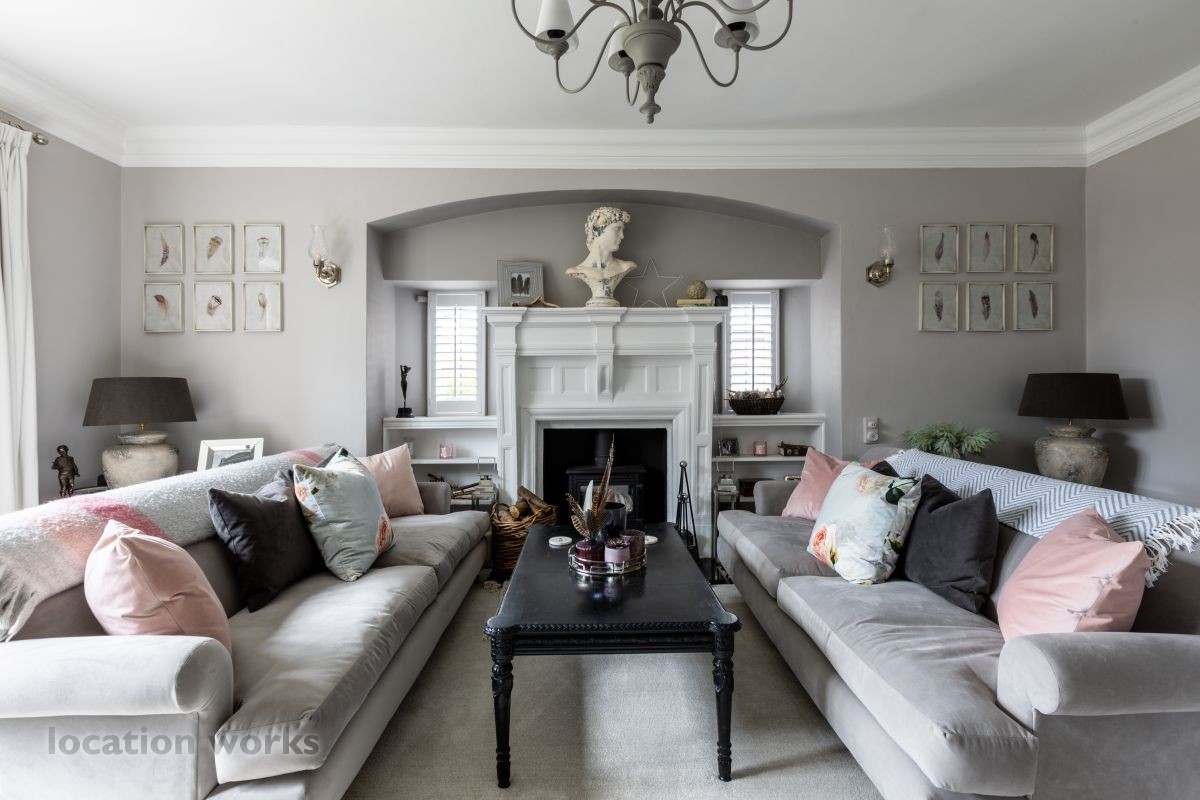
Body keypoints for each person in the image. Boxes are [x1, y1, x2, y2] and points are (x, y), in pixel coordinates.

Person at [566, 207, 637, 307]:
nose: (622, 236)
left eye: (622, 230)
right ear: (596, 230)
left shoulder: (625, 267)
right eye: (617, 229)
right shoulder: (577, 270)